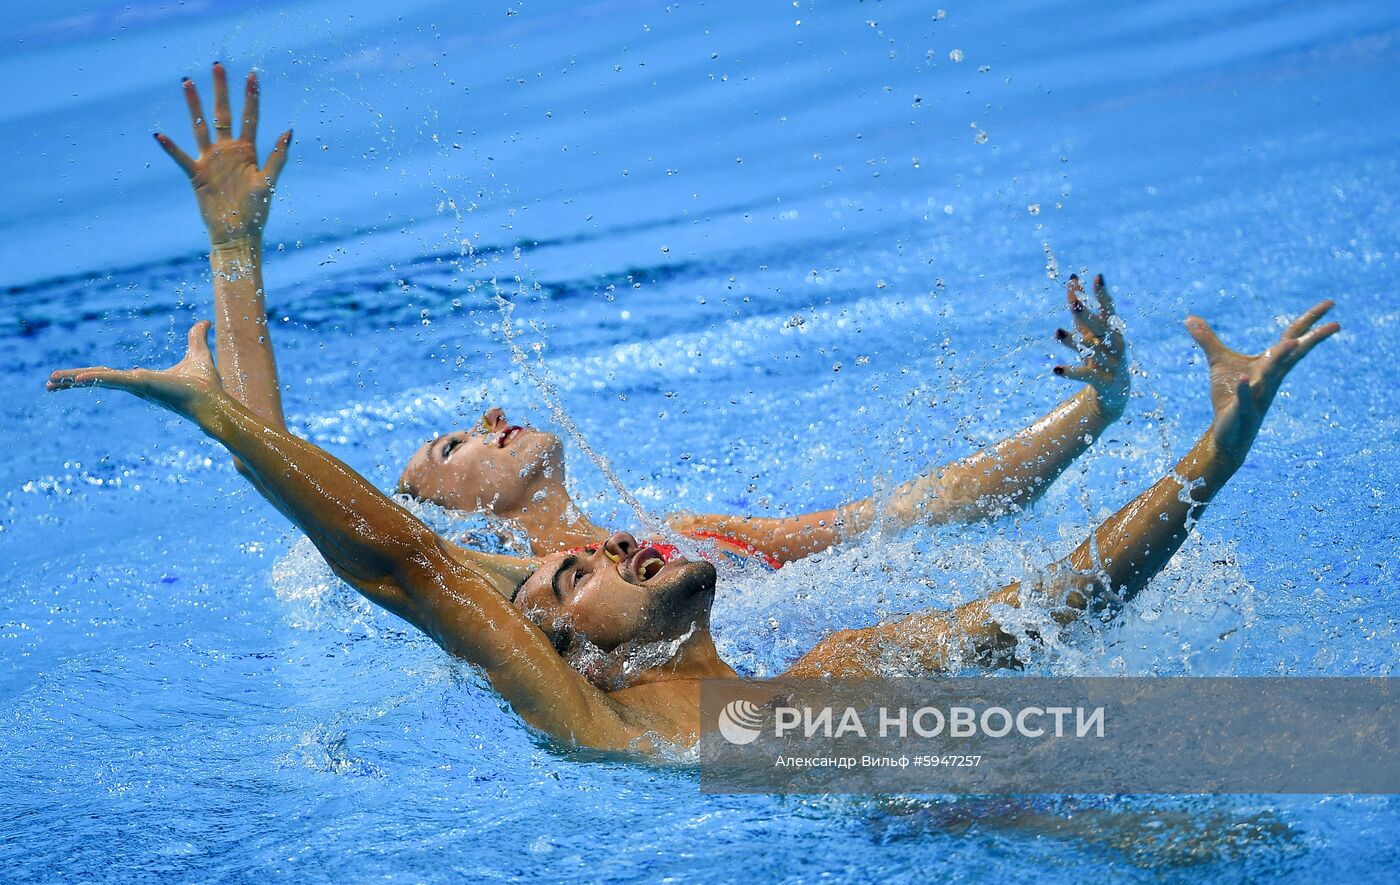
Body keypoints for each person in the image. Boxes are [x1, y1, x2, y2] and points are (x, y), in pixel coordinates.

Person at [46, 294, 1338, 755]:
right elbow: (380, 552)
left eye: (593, 548)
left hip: (952, 807)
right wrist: (224, 397)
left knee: (1268, 775)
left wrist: (1205, 441)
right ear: (557, 630)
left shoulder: (825, 668)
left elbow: (1061, 593)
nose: (603, 549)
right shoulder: (586, 706)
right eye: (443, 444)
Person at [155, 65, 1132, 568]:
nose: (488, 418)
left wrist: (1094, 411)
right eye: (452, 445)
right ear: (460, 516)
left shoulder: (692, 540)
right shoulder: (494, 584)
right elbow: (275, 461)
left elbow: (926, 507)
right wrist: (234, 252)